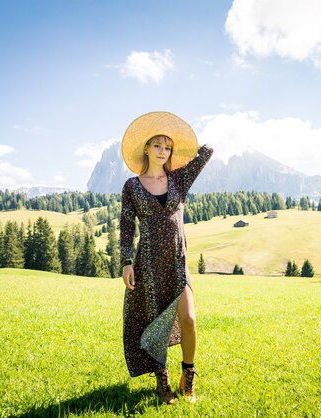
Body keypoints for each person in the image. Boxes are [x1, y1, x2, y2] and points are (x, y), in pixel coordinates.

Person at [120, 111, 213, 404]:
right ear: (146, 148)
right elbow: (125, 227)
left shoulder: (179, 180)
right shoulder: (132, 187)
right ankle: (163, 380)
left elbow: (206, 153)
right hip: (147, 264)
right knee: (155, 323)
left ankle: (189, 374)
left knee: (189, 318)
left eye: (168, 146)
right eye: (157, 145)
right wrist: (125, 263)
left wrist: (187, 144)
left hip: (176, 262)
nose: (163, 151)